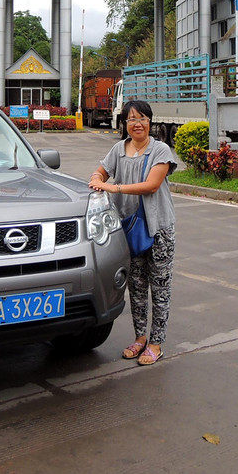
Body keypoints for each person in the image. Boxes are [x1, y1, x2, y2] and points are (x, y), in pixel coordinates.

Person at [89, 100, 177, 365]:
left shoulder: (160, 150)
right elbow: (101, 171)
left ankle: (156, 342)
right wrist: (97, 178)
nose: (137, 124)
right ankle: (140, 339)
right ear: (124, 123)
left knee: (159, 287)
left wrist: (113, 188)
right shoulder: (119, 149)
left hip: (158, 228)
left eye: (142, 118)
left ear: (150, 122)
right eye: (131, 119)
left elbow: (151, 185)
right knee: (136, 287)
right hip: (128, 228)